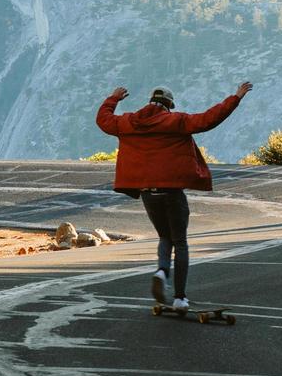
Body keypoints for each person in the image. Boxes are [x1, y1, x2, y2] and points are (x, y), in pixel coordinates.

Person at [96, 81, 253, 313]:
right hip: (171, 192)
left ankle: (161, 271)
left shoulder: (127, 122)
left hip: (148, 192)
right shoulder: (176, 121)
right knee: (180, 242)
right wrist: (236, 97)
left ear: (150, 102)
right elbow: (209, 119)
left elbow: (103, 120)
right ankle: (180, 298)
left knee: (163, 236)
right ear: (168, 105)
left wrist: (114, 98)